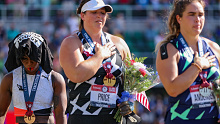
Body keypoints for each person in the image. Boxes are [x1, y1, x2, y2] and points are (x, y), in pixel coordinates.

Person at [59, 0, 134, 123]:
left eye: (102, 13)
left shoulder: (118, 43)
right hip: (83, 117)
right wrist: (99, 56)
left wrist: (129, 101)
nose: (99, 15)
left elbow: (132, 79)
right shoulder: (71, 42)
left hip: (115, 117)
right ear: (82, 15)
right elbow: (76, 74)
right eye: (94, 12)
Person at [155, 0, 220, 124]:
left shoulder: (214, 47)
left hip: (212, 119)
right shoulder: (169, 49)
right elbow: (172, 89)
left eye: (201, 14)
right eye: (191, 14)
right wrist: (197, 66)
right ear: (179, 18)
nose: (197, 19)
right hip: (181, 120)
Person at [0, 32, 67, 124]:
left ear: (40, 56)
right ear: (19, 58)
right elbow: (1, 112)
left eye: (33, 60)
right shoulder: (9, 79)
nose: (29, 63)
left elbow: (60, 114)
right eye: (24, 59)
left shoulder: (55, 79)